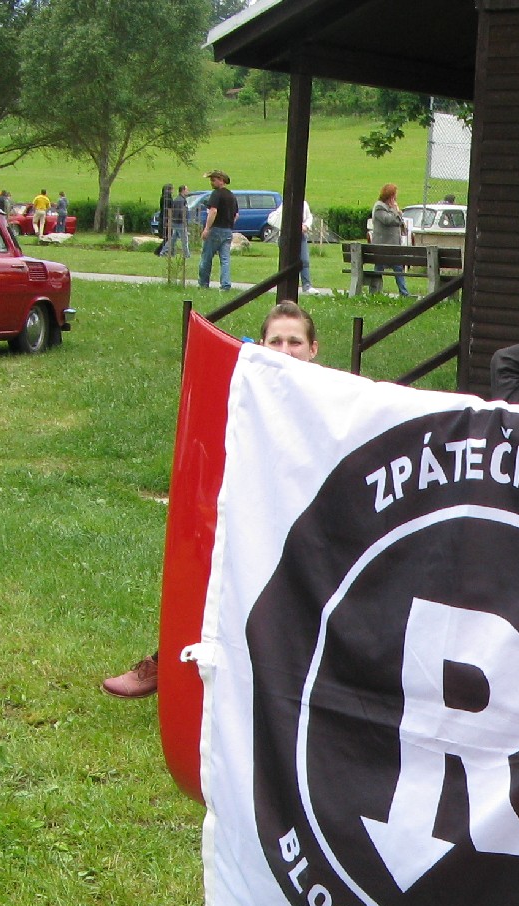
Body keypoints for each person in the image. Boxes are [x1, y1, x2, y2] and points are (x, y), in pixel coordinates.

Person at [103, 304, 320, 700]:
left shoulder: (331, 405)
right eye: (275, 341)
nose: (285, 351)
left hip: (307, 527)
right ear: (260, 346)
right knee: (208, 567)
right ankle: (170, 665)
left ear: (313, 350)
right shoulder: (243, 394)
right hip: (250, 517)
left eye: (295, 342)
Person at [198, 169, 239, 291]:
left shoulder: (216, 194)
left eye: (213, 180)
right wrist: (229, 224)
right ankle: (225, 285)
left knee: (206, 258)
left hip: (215, 230)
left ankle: (203, 284)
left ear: (221, 180)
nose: (211, 182)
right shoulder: (231, 195)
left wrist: (207, 228)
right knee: (225, 260)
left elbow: (213, 211)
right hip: (227, 231)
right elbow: (236, 215)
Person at [368, 183, 410, 297]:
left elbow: (398, 221)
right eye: (394, 195)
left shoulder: (390, 208)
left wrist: (396, 213)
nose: (396, 197)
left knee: (398, 269)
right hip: (382, 248)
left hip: (393, 248)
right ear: (390, 195)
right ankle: (374, 292)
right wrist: (396, 211)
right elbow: (388, 220)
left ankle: (404, 293)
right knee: (379, 269)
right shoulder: (379, 207)